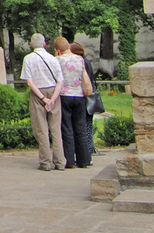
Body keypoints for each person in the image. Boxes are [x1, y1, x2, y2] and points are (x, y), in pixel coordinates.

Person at [20, 32, 66, 171]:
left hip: (37, 93)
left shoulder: (28, 59)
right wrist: (52, 99)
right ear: (45, 44)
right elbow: (60, 81)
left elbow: (29, 82)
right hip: (54, 92)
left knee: (42, 129)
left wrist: (42, 98)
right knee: (56, 129)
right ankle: (60, 162)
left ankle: (45, 162)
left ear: (31, 44)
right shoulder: (53, 59)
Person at [54, 37, 93, 168]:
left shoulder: (57, 60)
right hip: (79, 95)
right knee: (80, 128)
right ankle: (84, 160)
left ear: (58, 50)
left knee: (67, 128)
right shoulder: (79, 59)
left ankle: (69, 160)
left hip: (65, 95)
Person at [71, 42, 100, 164]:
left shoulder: (81, 63)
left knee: (85, 127)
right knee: (86, 126)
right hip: (88, 98)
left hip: (85, 98)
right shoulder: (85, 61)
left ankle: (87, 154)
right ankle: (87, 153)